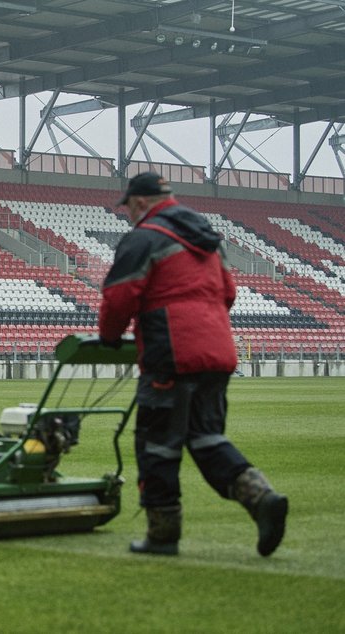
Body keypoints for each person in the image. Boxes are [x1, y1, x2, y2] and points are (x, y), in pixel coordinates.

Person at [99, 172, 288, 557]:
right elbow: (228, 294)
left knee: (157, 446)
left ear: (138, 203)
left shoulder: (143, 238)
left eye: (129, 208)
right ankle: (261, 497)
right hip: (217, 352)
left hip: (171, 355)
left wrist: (109, 336)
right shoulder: (207, 239)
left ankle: (163, 535)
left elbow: (120, 297)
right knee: (207, 438)